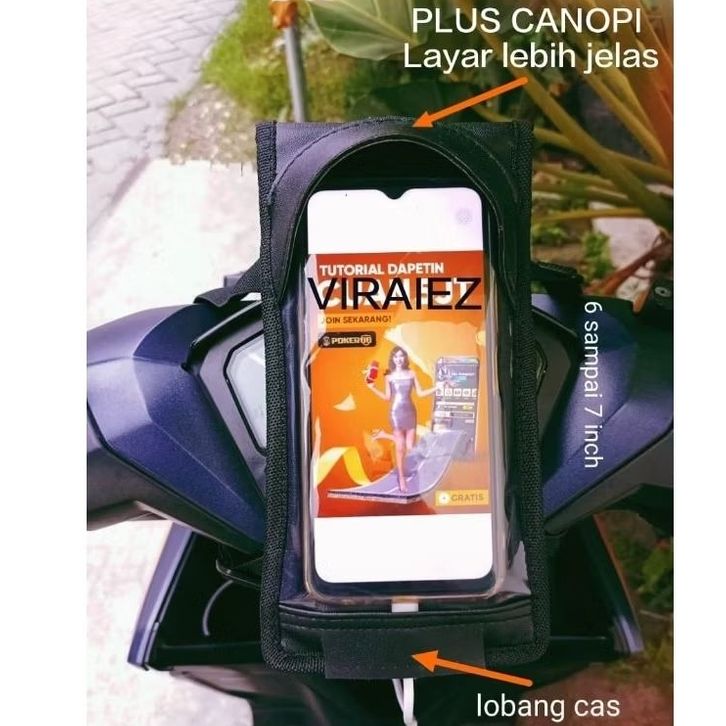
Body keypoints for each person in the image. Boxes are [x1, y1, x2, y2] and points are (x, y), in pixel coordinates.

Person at [365, 346, 437, 493]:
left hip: (410, 411)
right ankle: (401, 478)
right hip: (396, 412)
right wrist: (372, 388)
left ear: (405, 358)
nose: (399, 359)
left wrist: (437, 388)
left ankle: (385, 436)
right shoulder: (389, 377)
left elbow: (421, 393)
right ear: (392, 359)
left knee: (410, 447)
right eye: (396, 356)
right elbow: (387, 398)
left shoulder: (412, 374)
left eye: (401, 356)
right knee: (400, 447)